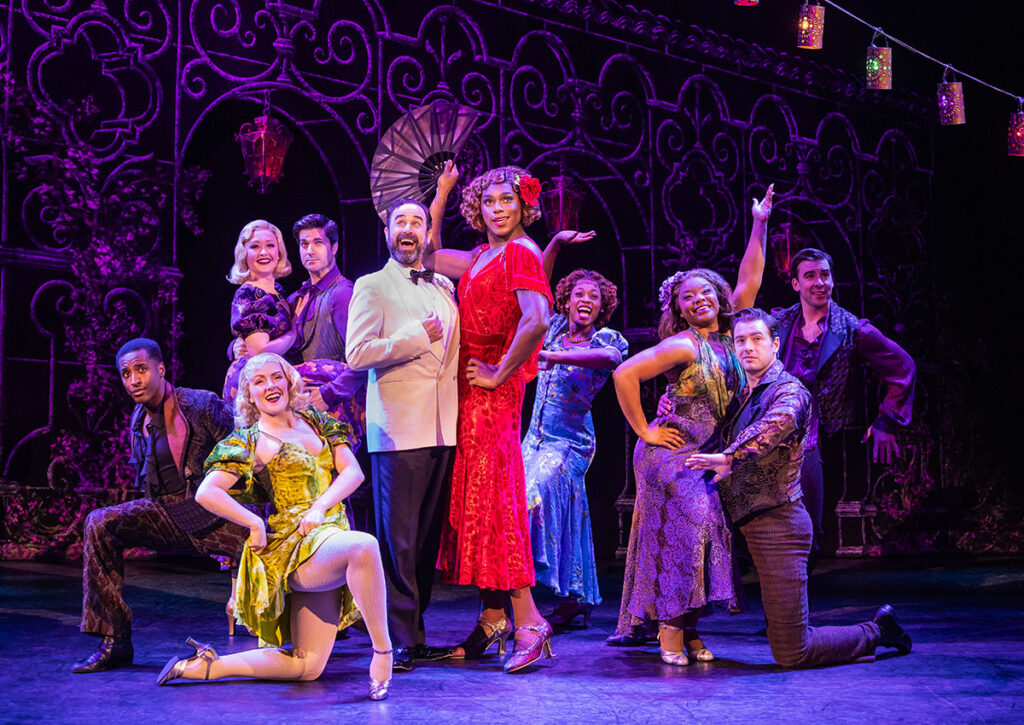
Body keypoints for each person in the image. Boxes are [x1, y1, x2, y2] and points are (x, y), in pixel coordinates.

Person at [156, 353, 394, 700]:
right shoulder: (251, 441)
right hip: (297, 547)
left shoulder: (316, 420)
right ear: (249, 394)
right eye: (259, 381)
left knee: (306, 667)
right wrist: (253, 522)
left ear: (289, 381)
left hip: (328, 535)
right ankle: (383, 651)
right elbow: (207, 492)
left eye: (276, 376)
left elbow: (353, 473)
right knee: (363, 546)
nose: (270, 385)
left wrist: (320, 506)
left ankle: (207, 665)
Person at [426, 165, 585, 673]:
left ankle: (529, 620)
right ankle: (493, 617)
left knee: (497, 501)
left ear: (523, 206)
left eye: (507, 201)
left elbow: (537, 319)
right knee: (479, 501)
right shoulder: (481, 255)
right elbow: (427, 256)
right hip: (469, 393)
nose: (497, 209)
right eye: (489, 201)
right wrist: (442, 193)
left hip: (492, 392)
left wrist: (498, 372)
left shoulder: (521, 252)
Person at [686, 307, 912, 666]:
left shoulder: (790, 391)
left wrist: (730, 457)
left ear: (775, 344)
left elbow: (774, 426)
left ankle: (878, 631)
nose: (748, 347)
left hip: (777, 526)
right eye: (740, 341)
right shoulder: (741, 392)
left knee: (792, 650)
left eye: (757, 339)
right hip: (739, 521)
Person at [609, 185, 774, 664]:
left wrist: (759, 223)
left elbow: (750, 279)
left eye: (706, 292)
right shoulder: (683, 344)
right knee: (691, 531)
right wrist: (646, 431)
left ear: (719, 299)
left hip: (705, 455)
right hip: (670, 454)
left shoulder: (732, 335)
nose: (699, 299)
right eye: (688, 296)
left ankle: (689, 627)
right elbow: (623, 374)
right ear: (679, 309)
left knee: (706, 537)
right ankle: (669, 630)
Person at [73, 338, 247, 673]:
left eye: (141, 369)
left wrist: (246, 506)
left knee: (277, 543)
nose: (133, 380)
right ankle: (114, 642)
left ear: (161, 368)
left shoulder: (200, 404)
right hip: (167, 514)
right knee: (99, 522)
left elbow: (246, 445)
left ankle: (323, 622)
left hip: (214, 517)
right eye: (126, 374)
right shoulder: (138, 418)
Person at [345, 194, 460, 672]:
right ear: (388, 232)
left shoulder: (443, 286)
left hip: (442, 426)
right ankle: (398, 639)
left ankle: (416, 633)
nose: (409, 229)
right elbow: (357, 353)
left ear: (427, 234)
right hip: (398, 429)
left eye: (417, 222)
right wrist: (413, 338)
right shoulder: (372, 286)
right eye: (400, 222)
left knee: (426, 540)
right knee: (399, 541)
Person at [776, 247, 915, 563]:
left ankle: (799, 578)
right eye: (810, 275)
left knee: (806, 522)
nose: (819, 282)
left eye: (825, 275)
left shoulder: (852, 329)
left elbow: (903, 366)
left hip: (817, 436)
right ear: (796, 283)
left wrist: (887, 421)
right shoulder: (778, 323)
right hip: (774, 431)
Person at [522, 269, 627, 626]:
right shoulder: (553, 330)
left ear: (602, 308)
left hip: (570, 443)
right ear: (566, 301)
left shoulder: (605, 340)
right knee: (553, 509)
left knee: (535, 493)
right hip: (533, 439)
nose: (586, 300)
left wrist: (556, 358)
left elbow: (611, 358)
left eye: (594, 297)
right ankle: (576, 598)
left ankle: (527, 581)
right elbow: (538, 280)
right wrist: (553, 244)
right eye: (579, 294)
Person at [223, 219, 365, 445]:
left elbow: (364, 359)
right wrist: (236, 345)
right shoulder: (295, 297)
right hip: (293, 405)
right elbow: (263, 338)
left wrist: (330, 393)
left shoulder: (342, 293)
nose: (310, 250)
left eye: (318, 243)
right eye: (304, 244)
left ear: (334, 247)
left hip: (330, 403)